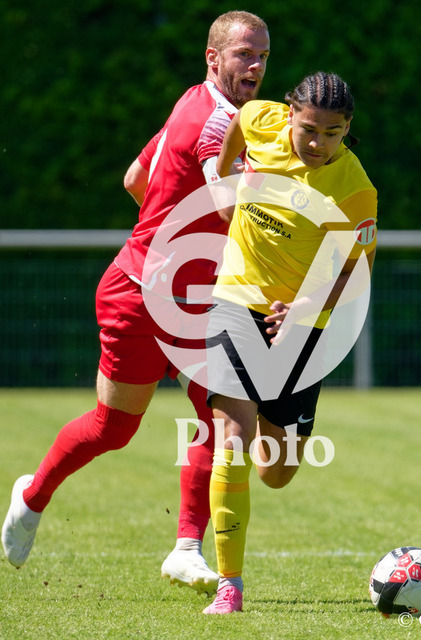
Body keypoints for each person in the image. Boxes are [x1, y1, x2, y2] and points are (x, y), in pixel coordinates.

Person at [1, 11, 270, 599]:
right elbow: (231, 205)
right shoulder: (219, 123)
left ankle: (186, 548)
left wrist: (177, 234)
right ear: (213, 58)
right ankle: (31, 496)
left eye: (263, 56)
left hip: (195, 301)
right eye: (244, 54)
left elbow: (133, 178)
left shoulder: (193, 101)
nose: (255, 65)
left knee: (223, 418)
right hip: (140, 297)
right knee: (113, 428)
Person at [200, 71, 378, 614]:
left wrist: (302, 309)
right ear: (289, 114)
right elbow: (236, 128)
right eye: (309, 130)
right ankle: (229, 585)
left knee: (276, 473)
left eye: (334, 133)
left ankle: (266, 417)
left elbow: (356, 272)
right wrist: (223, 178)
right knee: (231, 437)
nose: (319, 143)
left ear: (348, 129)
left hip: (304, 327)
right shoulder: (260, 118)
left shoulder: (355, 189)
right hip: (236, 298)